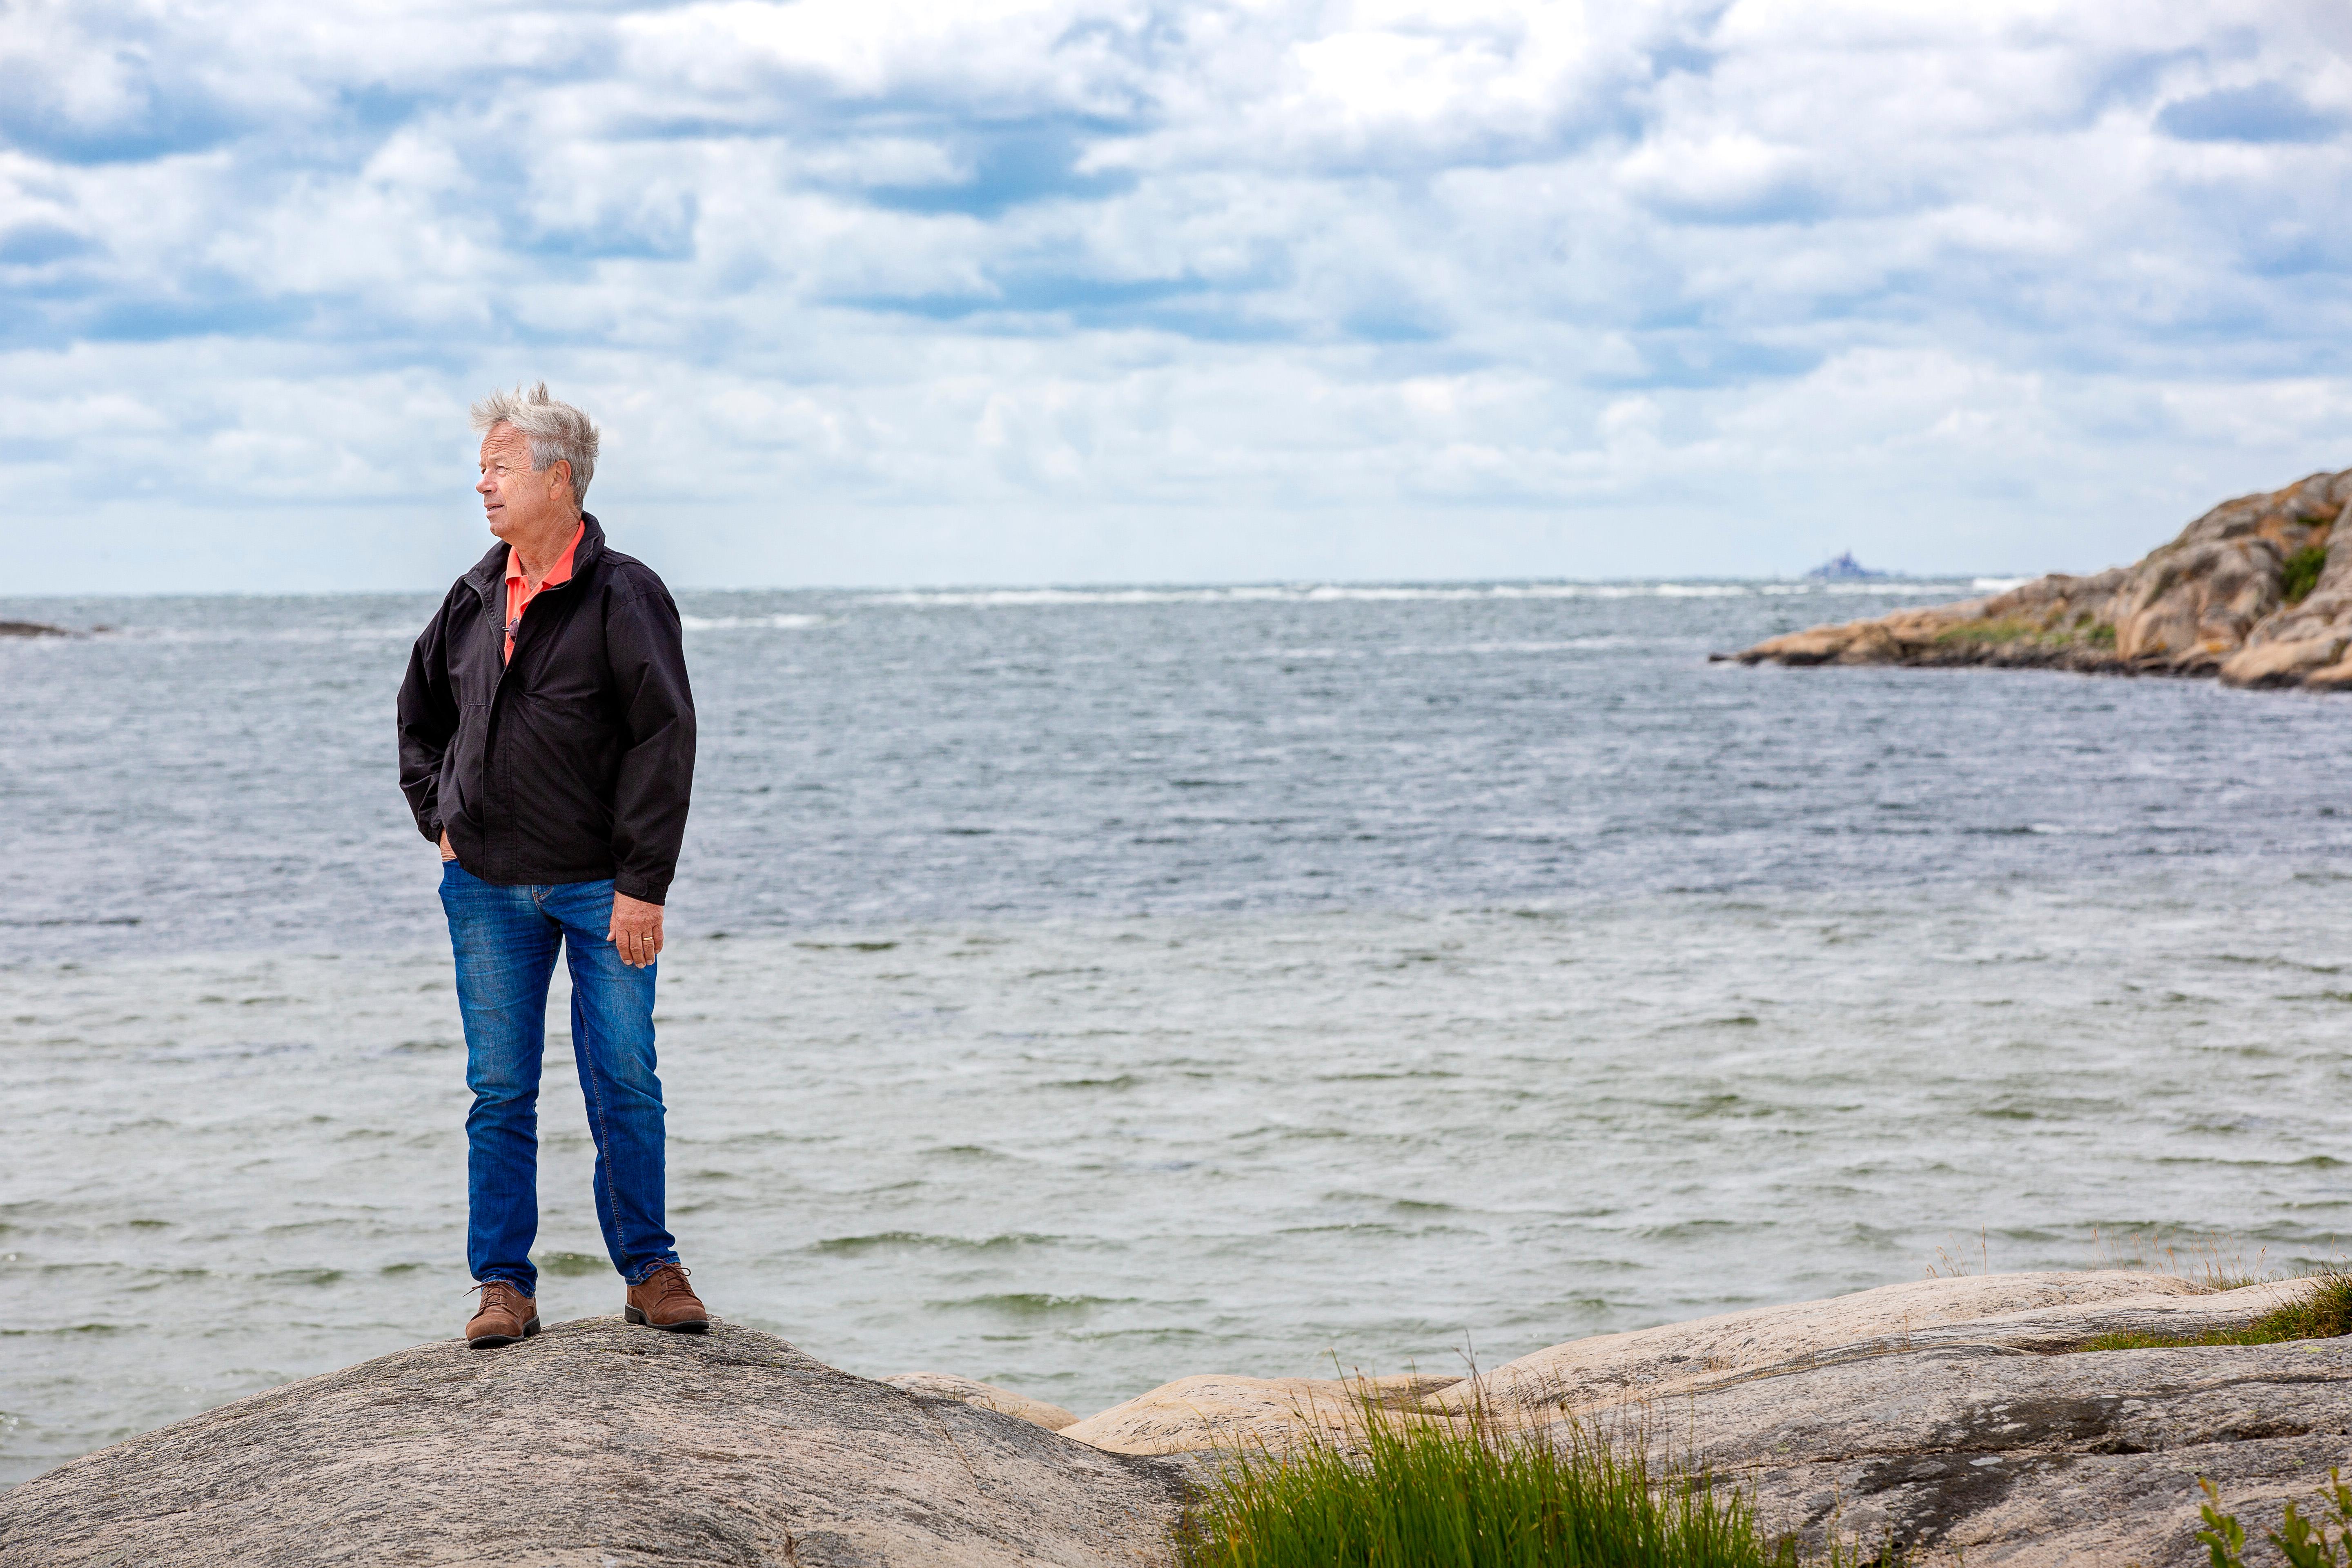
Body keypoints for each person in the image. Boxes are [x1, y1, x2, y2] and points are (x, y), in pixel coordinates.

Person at [396, 383, 706, 1348]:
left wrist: (642, 885)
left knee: (625, 1078)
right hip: (485, 888)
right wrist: (438, 819)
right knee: (500, 1091)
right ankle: (503, 1288)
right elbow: (420, 718)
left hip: (600, 889)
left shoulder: (626, 593)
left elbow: (664, 739)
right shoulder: (475, 595)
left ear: (556, 477)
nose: (480, 484)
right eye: (481, 469)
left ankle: (650, 1270)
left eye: (496, 467)